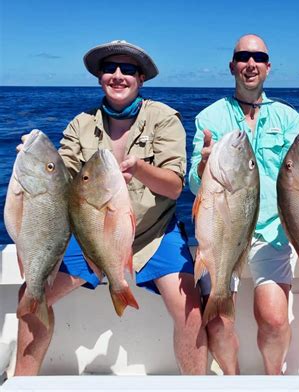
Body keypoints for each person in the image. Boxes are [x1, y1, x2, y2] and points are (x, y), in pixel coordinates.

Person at [14, 40, 208, 375]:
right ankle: (22, 380)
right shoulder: (80, 124)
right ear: (100, 77)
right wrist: (31, 162)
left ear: (141, 79)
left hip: (153, 234)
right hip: (92, 233)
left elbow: (175, 187)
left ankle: (197, 383)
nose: (118, 76)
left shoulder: (163, 119)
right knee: (31, 296)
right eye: (110, 69)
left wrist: (141, 170)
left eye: (128, 70)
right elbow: (60, 177)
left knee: (190, 311)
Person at [188, 34, 299, 375]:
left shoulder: (288, 118)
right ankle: (233, 379)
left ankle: (273, 380)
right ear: (232, 66)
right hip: (222, 231)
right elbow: (194, 184)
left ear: (268, 68)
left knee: (272, 319)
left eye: (258, 57)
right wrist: (202, 167)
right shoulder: (209, 118)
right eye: (243, 57)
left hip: (272, 234)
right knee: (218, 321)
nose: (250, 63)